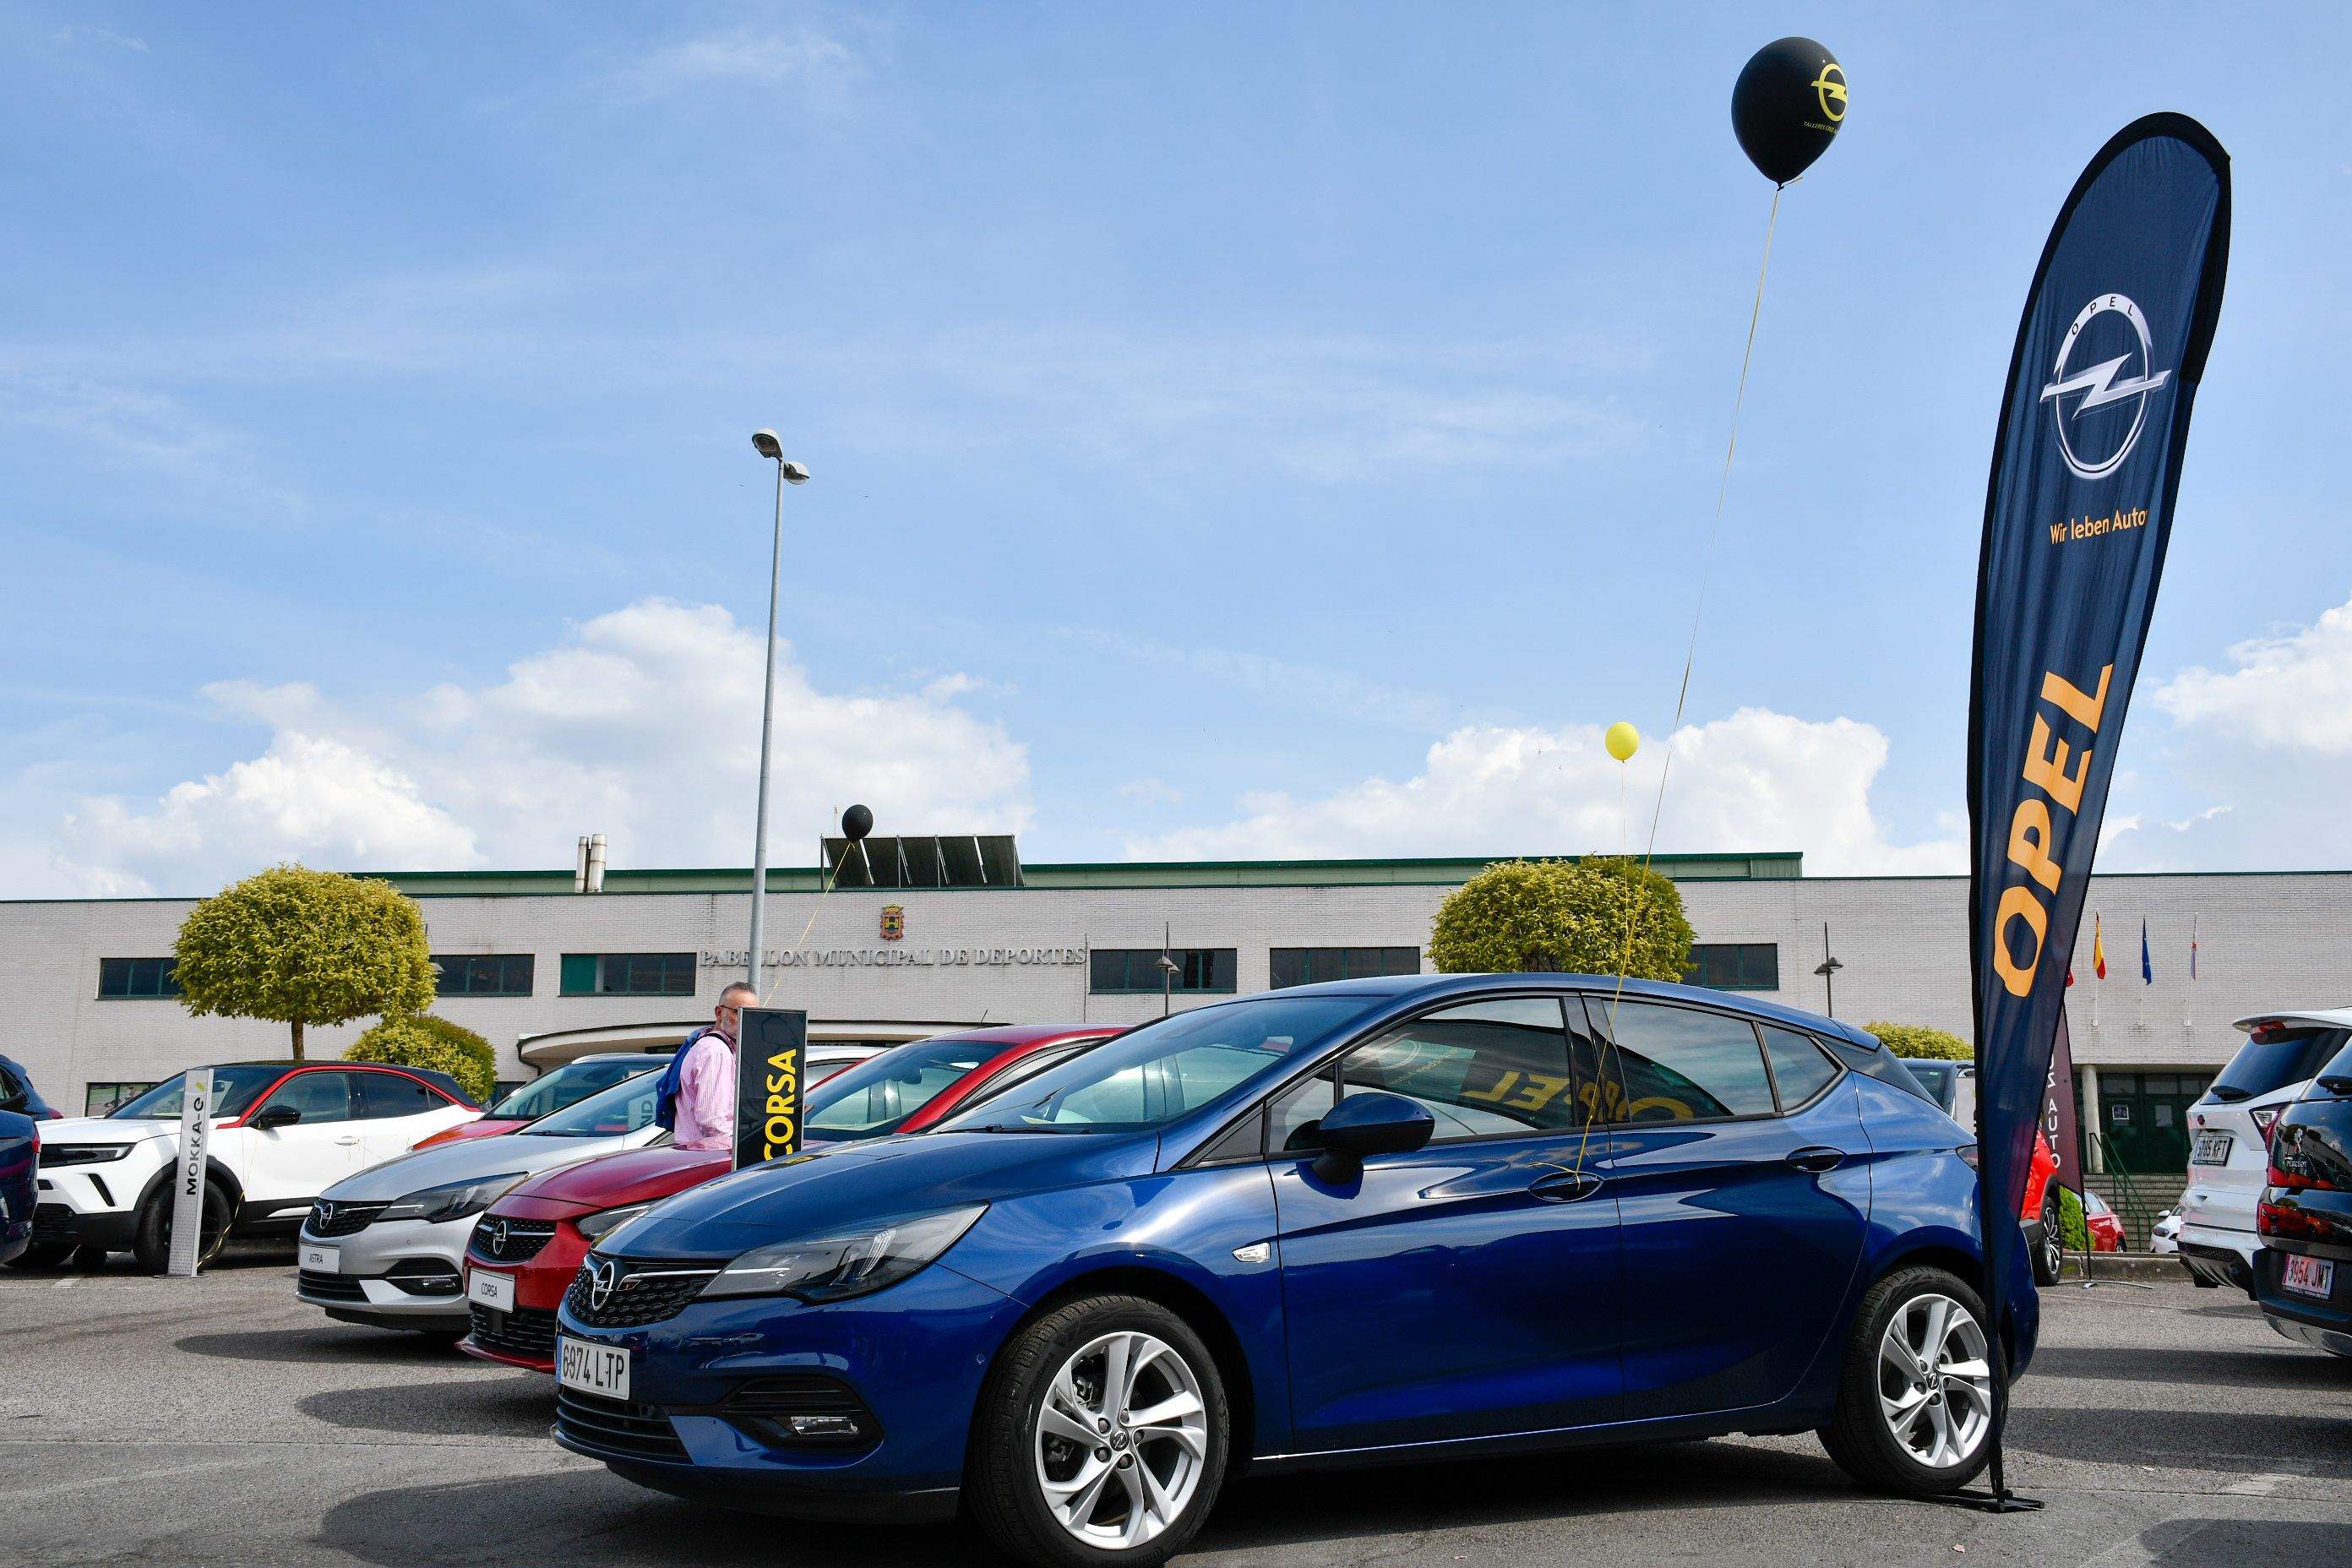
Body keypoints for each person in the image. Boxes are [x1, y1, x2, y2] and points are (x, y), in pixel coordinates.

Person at [672, 982, 755, 1152]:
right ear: (719, 1012)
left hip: (703, 1153)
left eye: (753, 1014)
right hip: (715, 1154)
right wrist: (745, 1147)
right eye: (739, 1012)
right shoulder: (716, 1051)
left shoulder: (713, 1045)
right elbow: (713, 1121)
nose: (748, 1020)